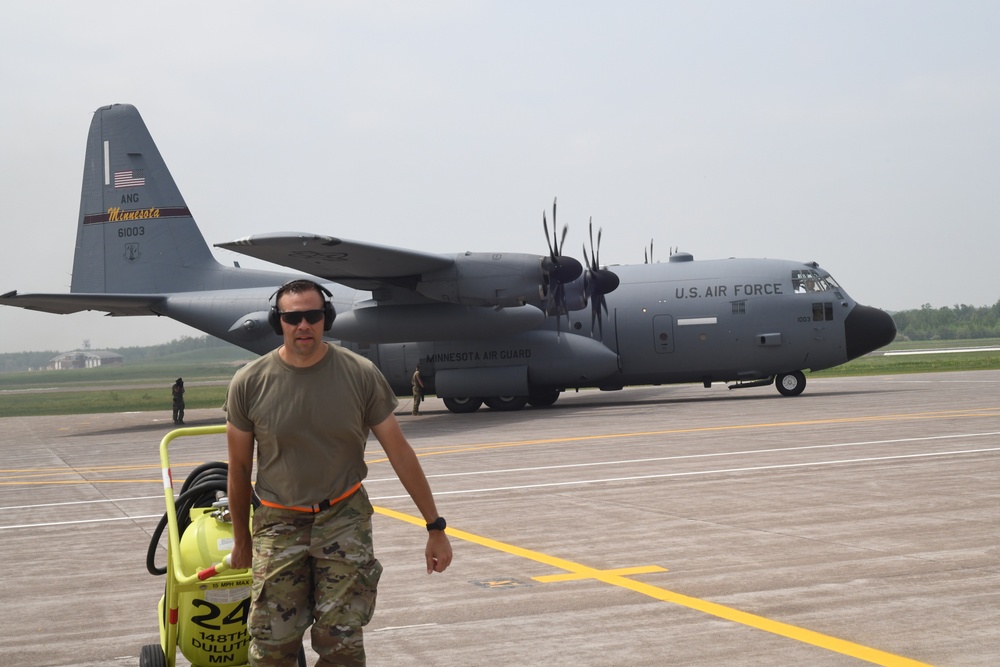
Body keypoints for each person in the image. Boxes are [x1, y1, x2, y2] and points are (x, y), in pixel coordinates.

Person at [225, 279, 452, 667]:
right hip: (279, 522)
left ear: (325, 318)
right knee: (271, 649)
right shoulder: (249, 382)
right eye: (292, 317)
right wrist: (242, 541)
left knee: (342, 646)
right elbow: (240, 467)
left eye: (312, 316)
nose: (303, 326)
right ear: (277, 321)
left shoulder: (360, 374)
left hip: (343, 519)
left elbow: (400, 451)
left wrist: (435, 526)